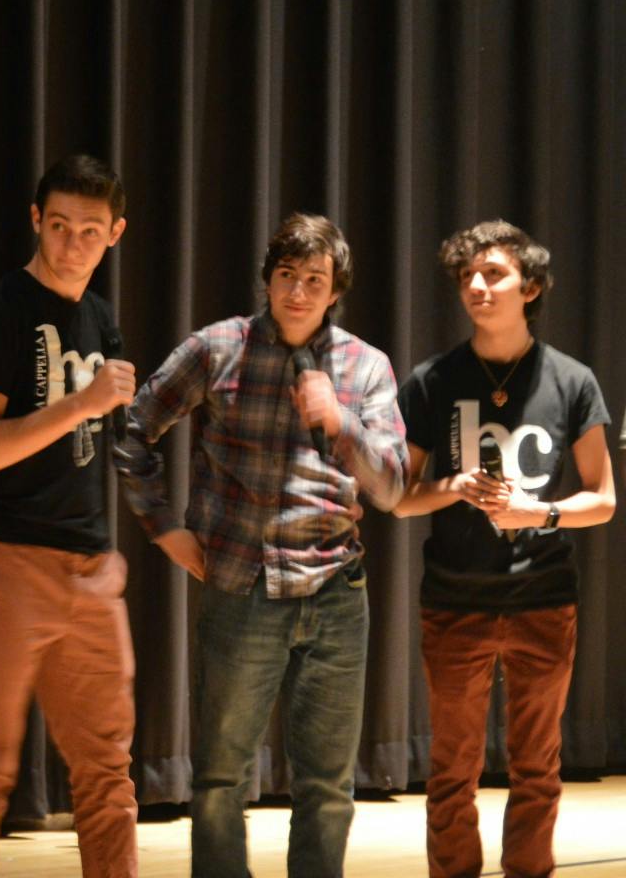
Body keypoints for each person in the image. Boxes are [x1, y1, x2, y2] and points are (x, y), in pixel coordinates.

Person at [115, 212, 409, 878]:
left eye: (314, 280)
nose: (298, 293)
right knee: (220, 777)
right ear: (267, 280)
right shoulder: (218, 347)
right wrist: (163, 527)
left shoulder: (365, 367)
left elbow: (393, 488)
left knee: (327, 787)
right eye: (286, 276)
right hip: (242, 587)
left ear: (335, 291)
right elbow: (134, 433)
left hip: (337, 592)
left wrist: (338, 420)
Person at [391, 220, 615, 878]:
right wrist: (451, 486)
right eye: (467, 278)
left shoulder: (571, 381)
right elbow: (400, 497)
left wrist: (537, 511)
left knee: (537, 770)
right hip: (454, 600)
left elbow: (602, 498)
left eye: (494, 274)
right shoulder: (433, 381)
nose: (477, 287)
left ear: (533, 287)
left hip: (542, 602)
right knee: (451, 772)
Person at [0, 154, 140, 878]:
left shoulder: (100, 318)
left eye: (90, 229)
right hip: (0, 561)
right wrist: (80, 404)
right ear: (36, 221)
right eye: (58, 225)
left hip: (86, 565)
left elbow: (93, 449)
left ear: (115, 233)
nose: (72, 242)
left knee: (108, 770)